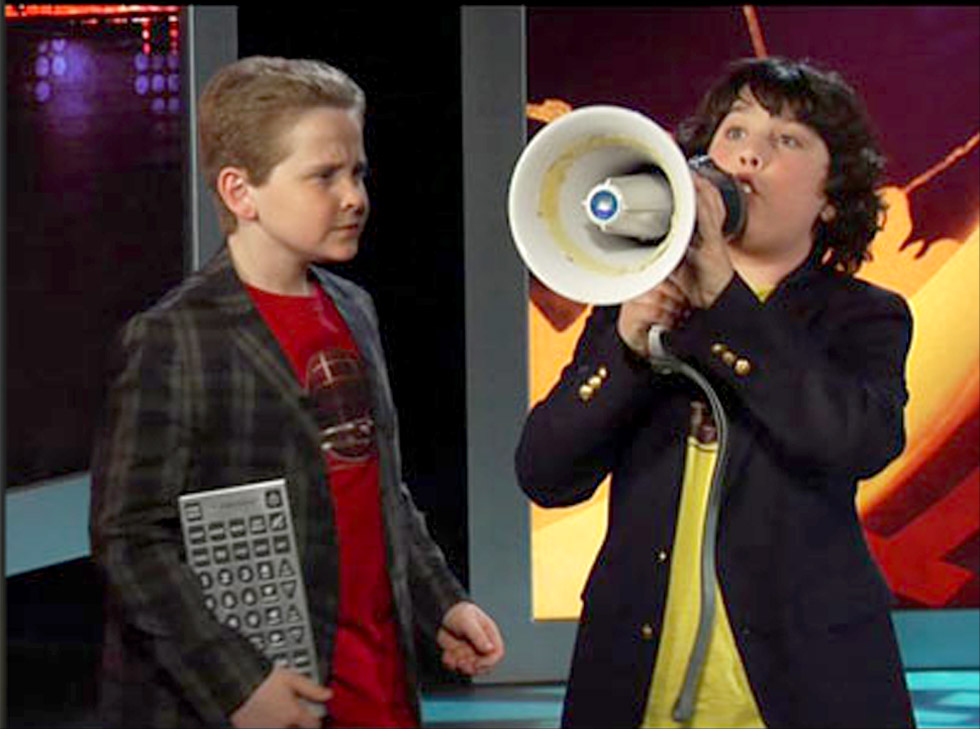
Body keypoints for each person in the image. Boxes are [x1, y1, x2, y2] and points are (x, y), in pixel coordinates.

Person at [90, 56, 504, 729]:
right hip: (267, 692)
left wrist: (441, 602)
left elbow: (377, 483)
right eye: (324, 176)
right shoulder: (174, 337)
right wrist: (237, 685)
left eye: (357, 173)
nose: (354, 197)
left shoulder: (353, 308)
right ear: (240, 191)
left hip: (377, 684)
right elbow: (130, 538)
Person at [515, 56, 916, 728]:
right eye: (735, 133)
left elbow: (855, 439)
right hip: (636, 687)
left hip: (805, 687)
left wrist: (723, 298)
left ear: (831, 197)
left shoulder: (865, 315)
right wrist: (626, 348)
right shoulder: (631, 300)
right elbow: (544, 473)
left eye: (786, 140)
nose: (749, 156)